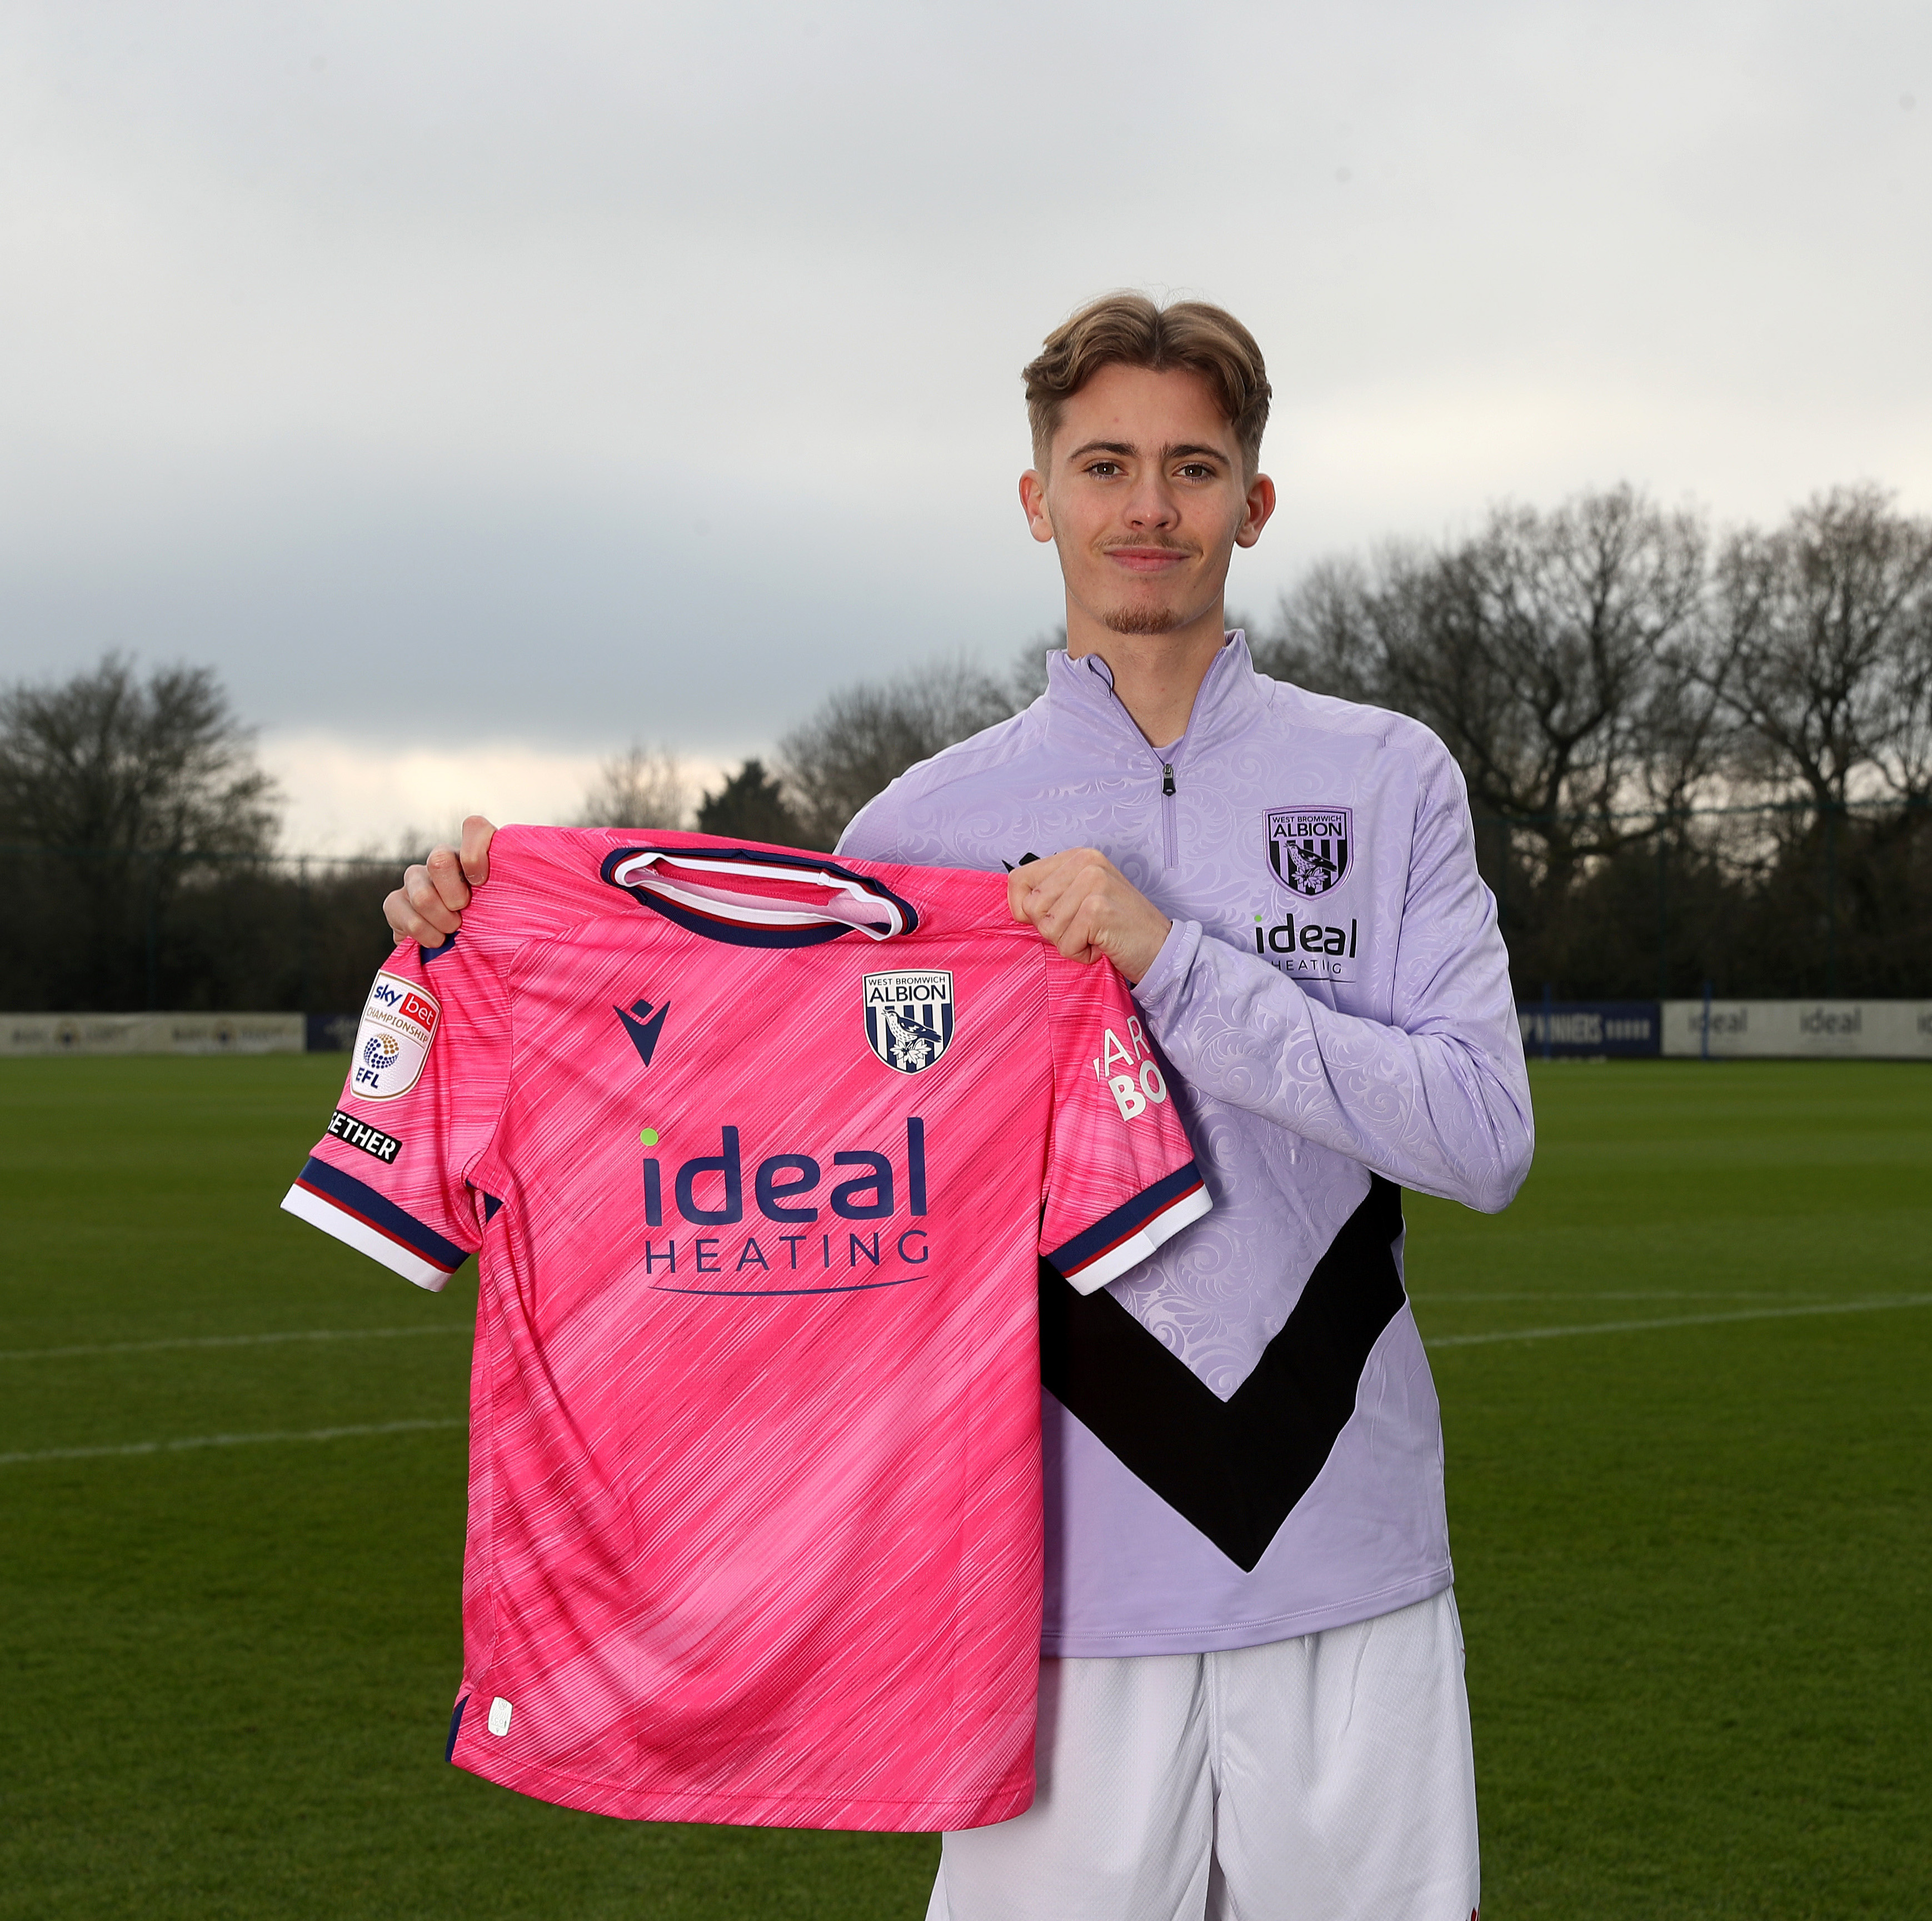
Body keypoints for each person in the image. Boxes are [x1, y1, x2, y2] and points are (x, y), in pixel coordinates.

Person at [386, 293, 1534, 1921]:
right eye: (1106, 464)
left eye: (1194, 468)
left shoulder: (1388, 775)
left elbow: (1480, 1135)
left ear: (1256, 503)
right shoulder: (920, 827)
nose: (1150, 508)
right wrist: (491, 941)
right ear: (1036, 498)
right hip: (1036, 1591)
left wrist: (1173, 962)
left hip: (1343, 1563)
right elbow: (724, 1118)